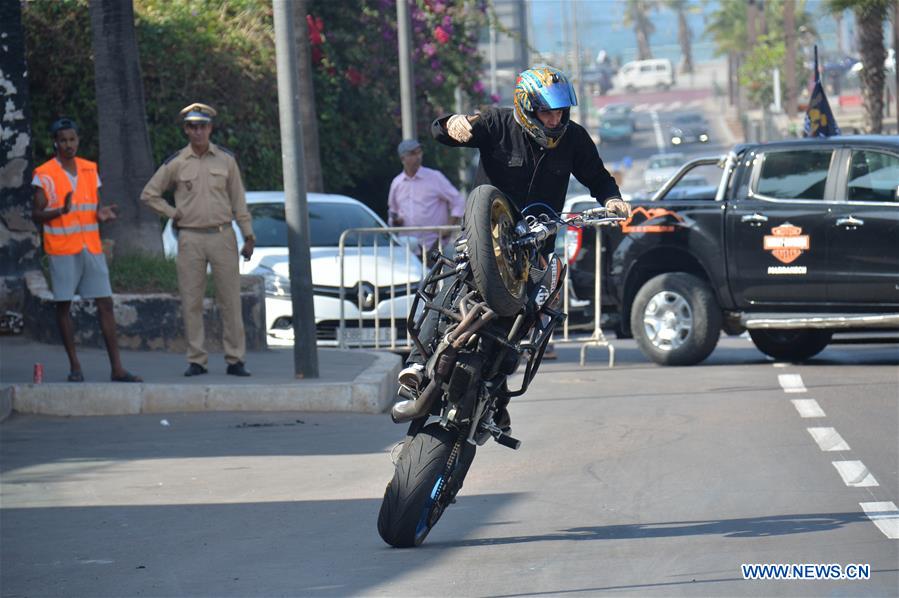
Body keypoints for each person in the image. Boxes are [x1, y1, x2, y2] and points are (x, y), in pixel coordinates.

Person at [402, 66, 632, 430]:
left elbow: (598, 178)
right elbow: (443, 131)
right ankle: (416, 365)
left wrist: (613, 199)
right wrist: (452, 124)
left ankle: (497, 394)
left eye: (560, 111)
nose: (554, 119)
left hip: (533, 249)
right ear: (526, 107)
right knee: (451, 281)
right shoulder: (497, 123)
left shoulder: (573, 137)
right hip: (484, 240)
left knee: (530, 316)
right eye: (546, 111)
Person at [140, 103, 255, 377]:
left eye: (202, 126)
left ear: (210, 128)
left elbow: (239, 201)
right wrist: (172, 213)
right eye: (193, 126)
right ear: (186, 130)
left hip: (222, 235)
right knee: (191, 300)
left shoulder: (226, 160)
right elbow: (149, 194)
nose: (198, 131)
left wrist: (248, 235)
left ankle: (235, 359)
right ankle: (197, 359)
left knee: (230, 300)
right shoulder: (177, 162)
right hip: (190, 237)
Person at [31, 118, 142, 383]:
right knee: (64, 306)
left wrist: (102, 214)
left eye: (72, 139)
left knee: (105, 303)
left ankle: (117, 369)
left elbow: (95, 207)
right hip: (62, 249)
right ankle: (75, 366)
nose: (68, 145)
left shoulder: (90, 169)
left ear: (78, 140)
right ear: (55, 143)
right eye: (63, 140)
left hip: (90, 246)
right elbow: (36, 214)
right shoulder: (44, 173)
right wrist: (60, 210)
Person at [387, 139, 464, 256]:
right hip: (408, 248)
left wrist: (448, 227)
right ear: (403, 158)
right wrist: (395, 221)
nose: (418, 156)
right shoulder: (396, 183)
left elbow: (458, 201)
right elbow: (393, 211)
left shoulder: (434, 177)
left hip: (434, 245)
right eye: (413, 153)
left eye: (419, 152)